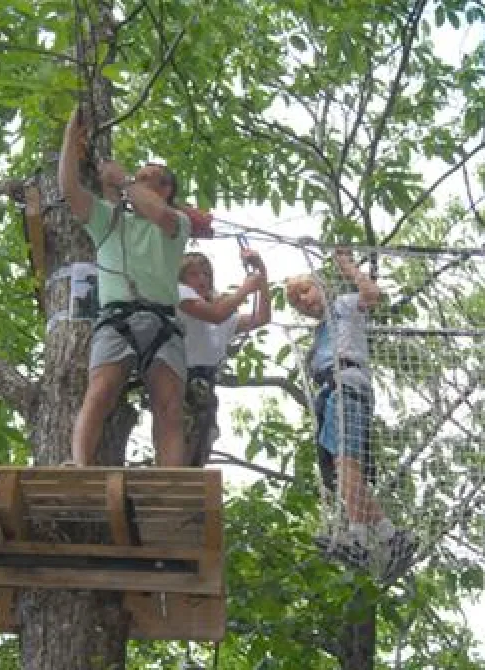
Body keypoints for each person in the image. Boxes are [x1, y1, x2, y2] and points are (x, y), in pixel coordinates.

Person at [58, 107, 191, 467]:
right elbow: (69, 189)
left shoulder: (176, 223)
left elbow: (160, 215)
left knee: (169, 407)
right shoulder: (109, 220)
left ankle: (170, 480)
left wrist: (124, 179)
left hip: (162, 321)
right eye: (138, 177)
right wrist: (72, 136)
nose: (139, 181)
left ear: (166, 189)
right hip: (117, 318)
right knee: (100, 393)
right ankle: (79, 465)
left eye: (149, 178)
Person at [285, 249, 416, 581]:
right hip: (334, 394)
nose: (304, 303)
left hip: (348, 387)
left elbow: (372, 295)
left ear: (322, 286)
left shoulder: (343, 307)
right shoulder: (319, 335)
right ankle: (389, 535)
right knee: (343, 470)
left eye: (306, 292)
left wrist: (347, 267)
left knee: (347, 466)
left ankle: (359, 538)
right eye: (298, 304)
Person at [177, 248, 271, 466]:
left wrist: (261, 274)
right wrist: (245, 289)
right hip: (180, 378)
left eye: (206, 274)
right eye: (194, 274)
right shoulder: (180, 295)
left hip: (206, 382)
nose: (202, 279)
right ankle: (176, 481)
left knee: (203, 437)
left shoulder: (221, 310)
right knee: (183, 435)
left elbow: (262, 317)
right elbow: (217, 315)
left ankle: (193, 479)